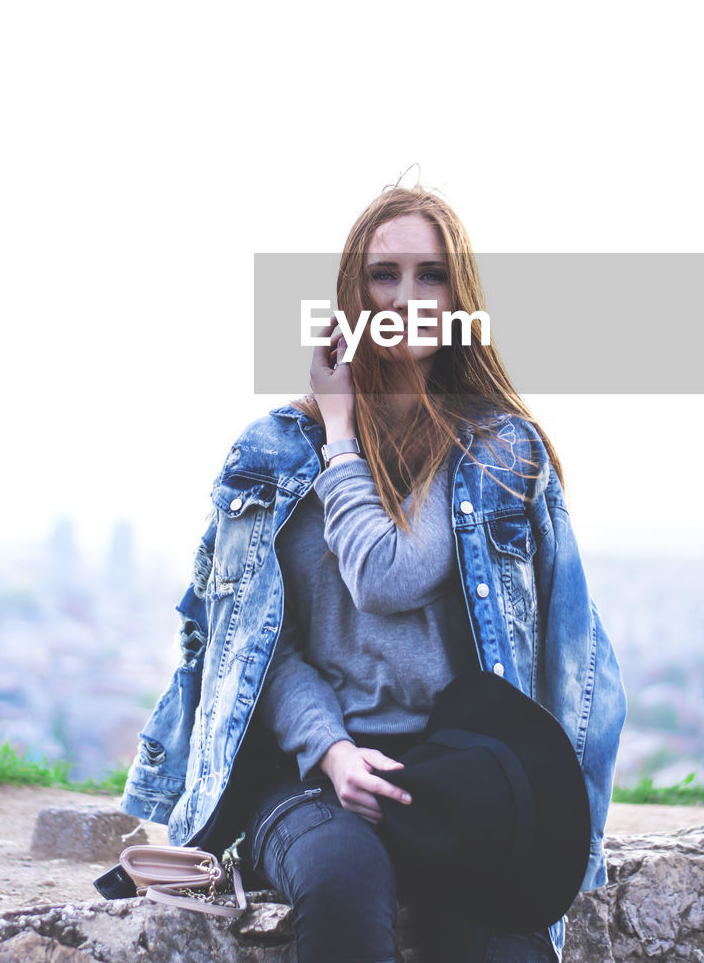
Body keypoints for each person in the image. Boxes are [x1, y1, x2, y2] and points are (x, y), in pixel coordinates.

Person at [119, 181, 627, 963]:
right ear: (350, 290)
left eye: (430, 275)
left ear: (460, 296)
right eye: (383, 275)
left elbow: (384, 575)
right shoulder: (273, 451)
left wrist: (342, 438)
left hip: (464, 778)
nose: (406, 297)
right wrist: (333, 751)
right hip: (315, 779)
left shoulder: (496, 448)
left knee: (493, 941)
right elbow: (260, 645)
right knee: (343, 880)